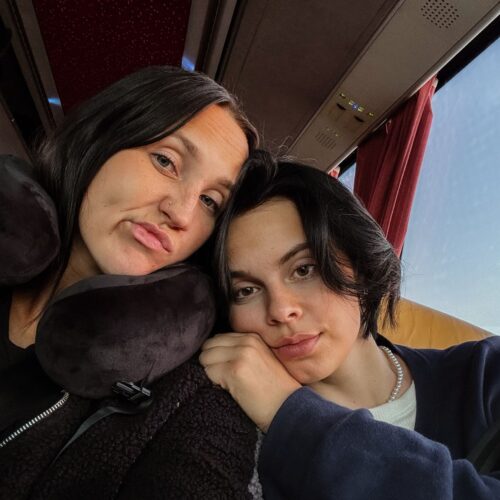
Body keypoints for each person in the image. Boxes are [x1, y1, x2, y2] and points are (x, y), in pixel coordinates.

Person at [0, 66, 264, 499]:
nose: (181, 213)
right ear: (99, 139)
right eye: (166, 161)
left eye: (209, 201)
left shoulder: (191, 398)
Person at [200, 151, 500, 499]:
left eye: (304, 269)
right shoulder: (225, 431)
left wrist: (291, 417)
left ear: (361, 263)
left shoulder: (486, 372)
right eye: (246, 290)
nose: (281, 310)